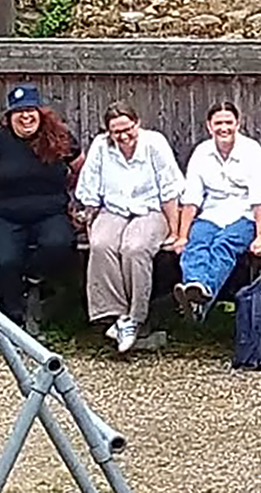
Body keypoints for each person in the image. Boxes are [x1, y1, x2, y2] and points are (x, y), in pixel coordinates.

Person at [0, 85, 81, 328]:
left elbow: (81, 168)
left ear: (40, 113)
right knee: (4, 261)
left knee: (59, 244)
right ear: (9, 117)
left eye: (31, 110)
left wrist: (67, 191)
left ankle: (31, 280)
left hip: (50, 213)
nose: (26, 116)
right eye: (19, 111)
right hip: (4, 216)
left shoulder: (60, 138)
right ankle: (12, 320)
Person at [75, 102, 183, 354]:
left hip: (151, 209)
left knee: (134, 248)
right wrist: (91, 222)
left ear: (137, 123)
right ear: (108, 132)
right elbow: (90, 189)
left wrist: (175, 231)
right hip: (113, 208)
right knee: (101, 244)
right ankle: (115, 315)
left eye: (128, 129)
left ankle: (136, 317)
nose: (123, 136)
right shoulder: (101, 146)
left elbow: (169, 190)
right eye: (116, 132)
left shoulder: (154, 144)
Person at [172, 102, 261, 319]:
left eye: (229, 122)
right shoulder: (202, 152)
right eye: (218, 123)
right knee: (196, 242)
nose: (224, 128)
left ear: (238, 124)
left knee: (224, 244)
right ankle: (196, 289)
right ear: (209, 126)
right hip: (213, 211)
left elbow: (260, 196)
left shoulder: (251, 150)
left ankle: (201, 297)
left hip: (247, 214)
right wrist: (182, 236)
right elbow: (191, 198)